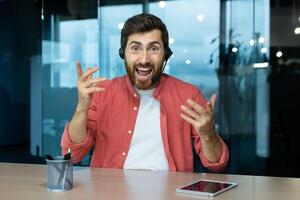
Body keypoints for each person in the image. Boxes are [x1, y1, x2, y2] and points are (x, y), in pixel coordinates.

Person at [61, 13, 229, 172]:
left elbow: (216, 164)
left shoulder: (189, 95)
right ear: (123, 53)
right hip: (111, 192)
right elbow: (72, 154)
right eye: (135, 49)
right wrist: (82, 107)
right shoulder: (101, 92)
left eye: (153, 49)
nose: (144, 59)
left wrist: (208, 135)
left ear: (166, 55)